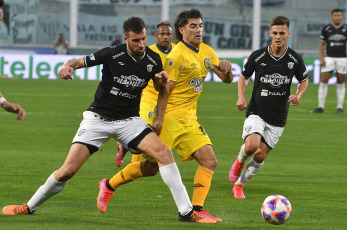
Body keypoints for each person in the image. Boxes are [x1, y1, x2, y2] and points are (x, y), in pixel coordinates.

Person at [2, 16, 214, 224]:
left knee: (164, 153)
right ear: (126, 39)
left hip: (129, 120)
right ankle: (29, 207)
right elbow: (76, 62)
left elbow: (162, 90)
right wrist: (66, 66)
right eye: (136, 40)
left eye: (143, 39)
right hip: (98, 119)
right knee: (68, 170)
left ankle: (187, 212)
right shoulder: (111, 54)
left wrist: (160, 96)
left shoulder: (153, 59)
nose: (141, 45)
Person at [97, 9, 233, 222]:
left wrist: (227, 71)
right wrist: (159, 120)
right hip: (170, 119)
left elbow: (226, 79)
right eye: (193, 26)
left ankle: (197, 210)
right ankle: (108, 185)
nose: (199, 30)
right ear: (182, 30)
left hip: (189, 120)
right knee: (150, 168)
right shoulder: (177, 56)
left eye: (200, 25)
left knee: (209, 161)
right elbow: (165, 90)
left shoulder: (207, 51)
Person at [228, 16, 308, 199]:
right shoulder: (258, 56)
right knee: (251, 146)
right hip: (257, 110)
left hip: (278, 116)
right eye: (275, 33)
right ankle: (239, 161)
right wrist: (241, 95)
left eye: (282, 33)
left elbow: (304, 80)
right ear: (270, 33)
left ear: (288, 33)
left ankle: (239, 185)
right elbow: (243, 76)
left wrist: (298, 95)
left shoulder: (295, 59)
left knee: (260, 155)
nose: (278, 36)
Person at [115, 20, 176, 167]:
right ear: (156, 35)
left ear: (172, 35)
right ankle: (134, 165)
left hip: (166, 98)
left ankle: (124, 148)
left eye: (168, 34)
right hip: (149, 96)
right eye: (162, 34)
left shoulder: (177, 51)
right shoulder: (149, 53)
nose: (165, 37)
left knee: (159, 131)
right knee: (143, 130)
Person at [313, 8, 346, 114]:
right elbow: (321, 44)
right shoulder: (326, 28)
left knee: (340, 81)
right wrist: (322, 58)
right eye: (335, 15)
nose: (337, 17)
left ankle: (339, 107)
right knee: (324, 79)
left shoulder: (346, 28)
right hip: (329, 57)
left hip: (342, 58)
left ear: (342, 16)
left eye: (339, 15)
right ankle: (320, 106)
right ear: (332, 17)